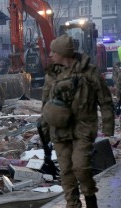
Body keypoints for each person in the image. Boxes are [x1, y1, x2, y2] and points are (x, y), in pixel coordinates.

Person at [41, 34, 114, 208]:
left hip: (83, 128)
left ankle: (90, 197)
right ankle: (72, 204)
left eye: (53, 51)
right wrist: (44, 130)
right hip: (59, 130)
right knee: (66, 171)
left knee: (81, 168)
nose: (50, 55)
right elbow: (45, 103)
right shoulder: (52, 75)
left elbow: (105, 100)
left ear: (63, 53)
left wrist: (108, 127)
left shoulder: (89, 72)